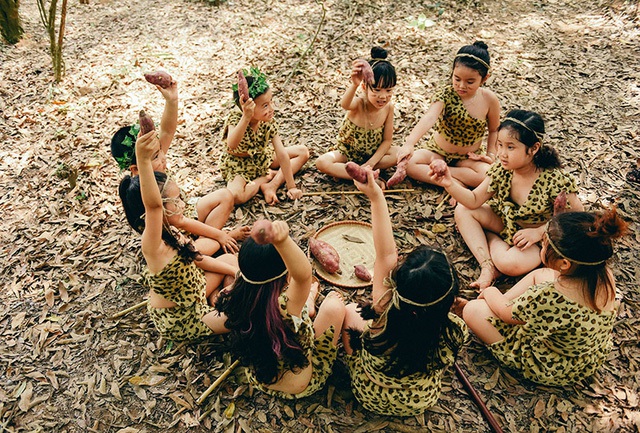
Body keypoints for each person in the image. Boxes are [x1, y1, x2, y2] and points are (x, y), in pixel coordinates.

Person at [341, 167, 467, 416]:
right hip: (419, 400)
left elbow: (386, 254)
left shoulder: (383, 307)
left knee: (348, 311)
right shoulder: (455, 330)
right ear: (449, 300)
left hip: (369, 394)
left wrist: (376, 197)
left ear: (398, 284)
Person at [463, 208, 627, 386]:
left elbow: (505, 313)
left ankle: (490, 306)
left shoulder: (550, 296)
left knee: (473, 310)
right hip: (585, 356)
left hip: (548, 364)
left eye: (544, 245)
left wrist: (489, 292)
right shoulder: (603, 273)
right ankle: (501, 303)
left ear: (564, 263)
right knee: (541, 274)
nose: (542, 247)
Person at [430, 109, 583, 289]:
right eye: (500, 145)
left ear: (534, 148)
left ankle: (489, 238)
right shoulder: (502, 169)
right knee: (463, 210)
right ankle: (487, 265)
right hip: (505, 222)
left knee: (510, 264)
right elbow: (473, 200)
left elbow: (579, 218)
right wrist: (449, 183)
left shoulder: (555, 181)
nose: (502, 153)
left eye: (510, 147)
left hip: (534, 238)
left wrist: (539, 232)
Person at [118, 129, 238, 341]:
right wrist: (144, 160)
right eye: (176, 202)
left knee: (231, 261)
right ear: (159, 210)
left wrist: (234, 273)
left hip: (195, 291)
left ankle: (218, 296)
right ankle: (219, 301)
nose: (183, 204)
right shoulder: (153, 246)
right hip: (184, 317)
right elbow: (153, 205)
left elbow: (199, 259)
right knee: (243, 317)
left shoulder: (172, 232)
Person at [110, 77, 247, 255]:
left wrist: (172, 100)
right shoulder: (145, 192)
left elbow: (167, 130)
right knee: (198, 250)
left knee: (226, 196)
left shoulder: (154, 162)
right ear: (136, 169)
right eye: (156, 156)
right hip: (176, 238)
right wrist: (221, 235)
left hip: (185, 211)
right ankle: (214, 241)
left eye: (159, 151)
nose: (163, 157)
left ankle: (209, 238)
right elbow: (180, 221)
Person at [213, 221, 345, 399]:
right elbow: (304, 275)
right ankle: (308, 307)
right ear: (286, 274)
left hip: (260, 377)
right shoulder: (286, 305)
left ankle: (308, 307)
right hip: (300, 384)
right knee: (334, 304)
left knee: (299, 311)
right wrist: (282, 241)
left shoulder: (234, 297)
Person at [396, 41, 501, 188]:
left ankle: (446, 175)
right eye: (457, 79)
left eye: (470, 82)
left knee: (488, 175)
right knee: (410, 163)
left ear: (484, 79)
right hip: (437, 152)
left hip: (468, 158)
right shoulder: (446, 94)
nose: (461, 85)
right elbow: (430, 117)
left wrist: (491, 156)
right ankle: (456, 182)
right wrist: (409, 143)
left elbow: (494, 130)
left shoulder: (489, 100)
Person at [220, 67, 309, 205]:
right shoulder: (236, 118)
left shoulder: (267, 121)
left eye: (271, 102)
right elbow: (232, 144)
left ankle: (272, 185)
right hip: (239, 165)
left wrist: (292, 187)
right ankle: (266, 177)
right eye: (265, 105)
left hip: (261, 157)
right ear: (247, 107)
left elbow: (281, 153)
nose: (271, 109)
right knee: (236, 196)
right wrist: (246, 117)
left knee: (303, 152)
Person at [316, 47, 398, 185]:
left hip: (373, 156)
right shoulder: (359, 103)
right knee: (322, 162)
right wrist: (354, 85)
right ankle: (364, 177)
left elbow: (387, 141)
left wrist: (370, 163)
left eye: (388, 90)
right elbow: (345, 104)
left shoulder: (388, 108)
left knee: (399, 154)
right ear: (365, 88)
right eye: (377, 90)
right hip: (347, 154)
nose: (383, 96)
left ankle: (362, 172)